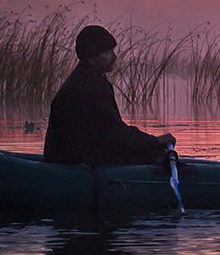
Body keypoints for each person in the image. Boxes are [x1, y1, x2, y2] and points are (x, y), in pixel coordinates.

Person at [43, 25, 175, 165]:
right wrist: (155, 142)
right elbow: (114, 133)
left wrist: (150, 147)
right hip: (72, 162)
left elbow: (109, 133)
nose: (114, 56)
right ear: (92, 56)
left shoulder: (95, 79)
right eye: (108, 52)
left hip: (84, 154)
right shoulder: (85, 88)